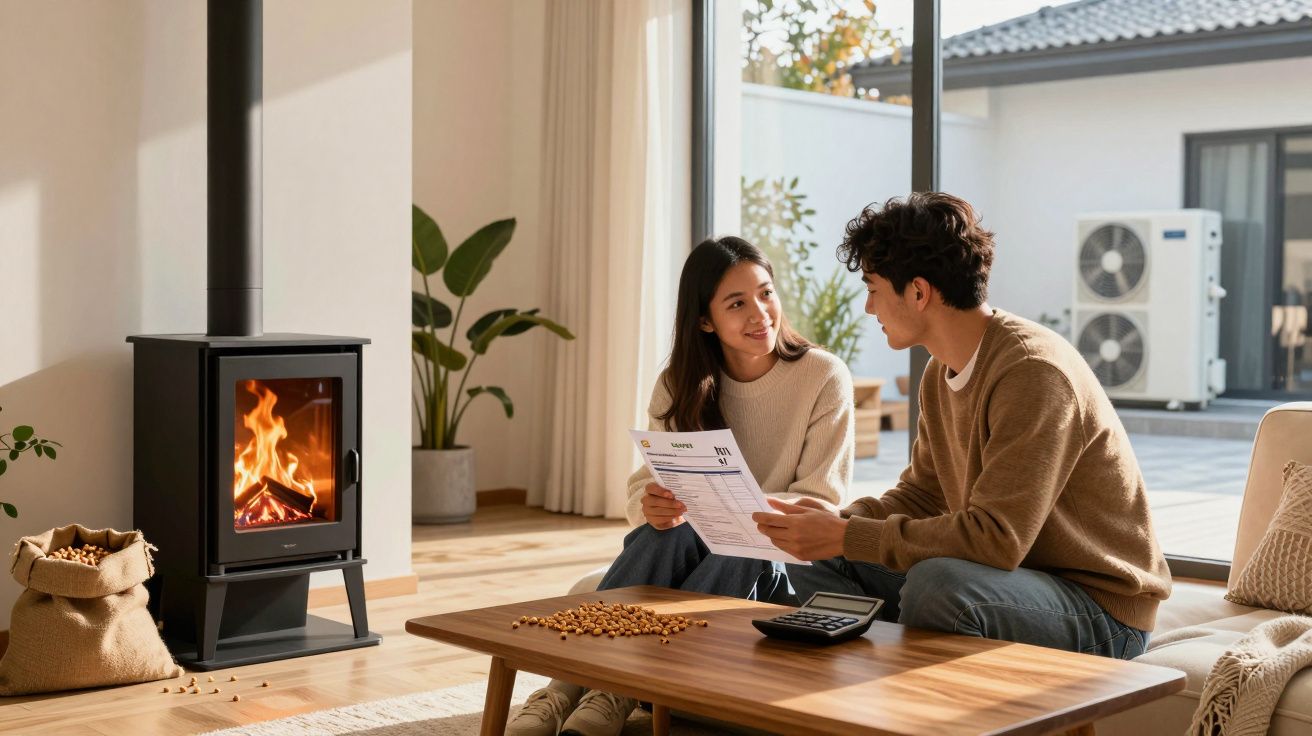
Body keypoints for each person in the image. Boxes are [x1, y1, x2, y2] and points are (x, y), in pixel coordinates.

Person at [749, 192, 1172, 662]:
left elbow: (997, 539)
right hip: (1011, 579)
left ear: (918, 292)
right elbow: (924, 496)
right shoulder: (940, 371)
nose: (869, 308)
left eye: (873, 289)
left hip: (1097, 608)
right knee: (818, 556)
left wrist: (849, 534)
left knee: (940, 586)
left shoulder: (1032, 372)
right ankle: (849, 702)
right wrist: (838, 523)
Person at [508, 236, 855, 736]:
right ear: (704, 320)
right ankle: (564, 689)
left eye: (766, 293)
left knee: (742, 543)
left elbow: (822, 499)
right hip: (692, 544)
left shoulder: (823, 376)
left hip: (781, 562)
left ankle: (612, 689)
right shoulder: (680, 382)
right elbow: (647, 482)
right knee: (666, 532)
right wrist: (650, 505)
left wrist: (749, 512)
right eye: (738, 303)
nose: (761, 313)